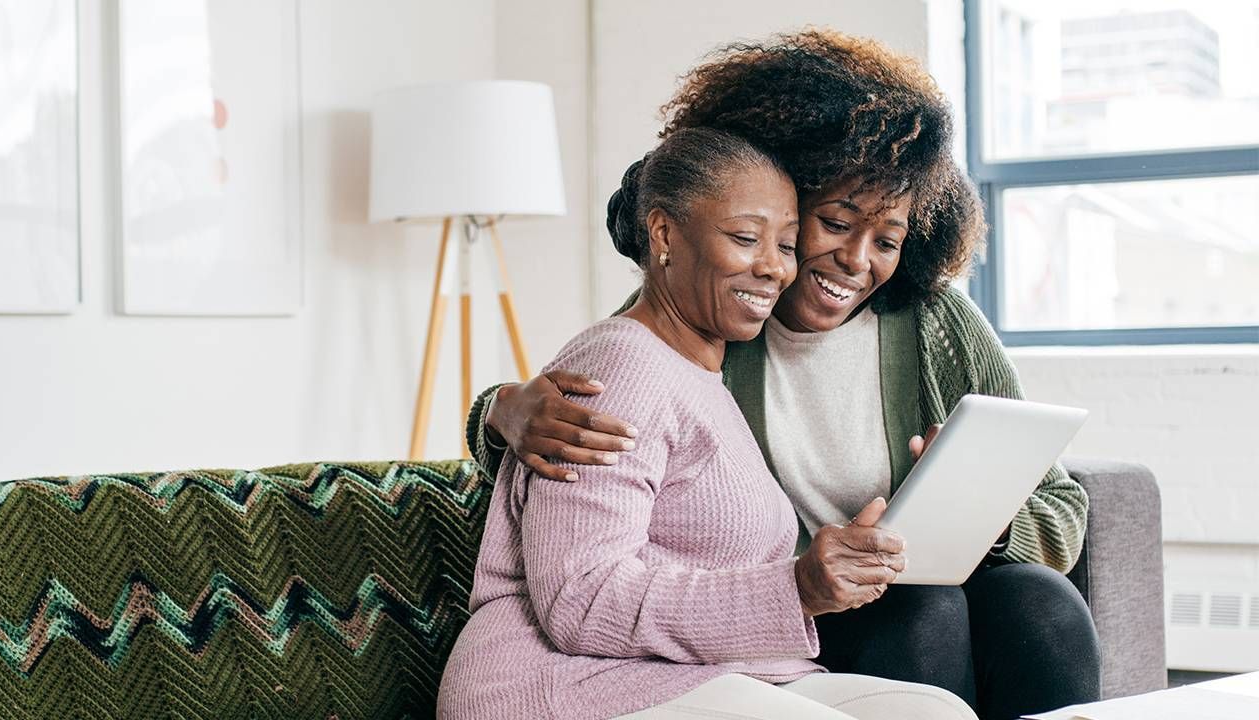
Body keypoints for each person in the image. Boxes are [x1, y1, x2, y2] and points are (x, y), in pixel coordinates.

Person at [465, 30, 1101, 720]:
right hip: (785, 608)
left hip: (870, 588)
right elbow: (608, 383)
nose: (857, 259)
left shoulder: (936, 325)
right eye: (833, 222)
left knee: (1041, 603)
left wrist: (975, 513)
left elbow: (1062, 508)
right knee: (925, 610)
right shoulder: (717, 315)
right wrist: (501, 407)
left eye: (887, 239)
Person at [438, 127, 976, 720]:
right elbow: (581, 599)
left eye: (787, 246)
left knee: (937, 713)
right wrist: (794, 588)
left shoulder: (702, 375)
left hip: (697, 678)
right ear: (665, 234)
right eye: (746, 239)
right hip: (560, 685)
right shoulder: (621, 368)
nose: (773, 269)